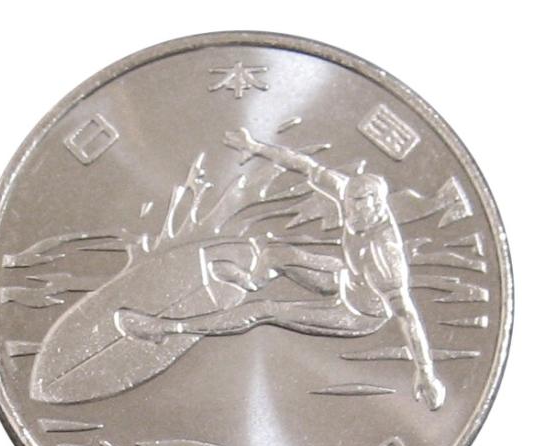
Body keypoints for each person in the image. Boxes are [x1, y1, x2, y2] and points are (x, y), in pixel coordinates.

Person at [116, 128, 445, 410]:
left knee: (265, 310)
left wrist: (426, 373)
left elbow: (407, 315)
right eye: (349, 206)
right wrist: (255, 146)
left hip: (359, 312)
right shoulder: (346, 193)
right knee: (276, 253)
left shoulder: (383, 254)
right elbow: (304, 165)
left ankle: (163, 329)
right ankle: (250, 280)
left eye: (360, 209)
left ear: (377, 206)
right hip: (347, 277)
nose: (351, 214)